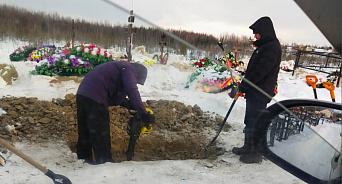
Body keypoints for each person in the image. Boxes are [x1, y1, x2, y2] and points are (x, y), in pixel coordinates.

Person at [76, 60, 155, 164]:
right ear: (138, 73)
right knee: (100, 134)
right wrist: (143, 113)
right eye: (136, 81)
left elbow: (115, 93)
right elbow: (131, 89)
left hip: (82, 95)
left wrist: (127, 103)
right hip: (96, 99)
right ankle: (105, 164)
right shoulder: (129, 69)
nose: (135, 82)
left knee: (85, 132)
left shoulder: (118, 68)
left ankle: (83, 160)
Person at [232, 16, 282, 163]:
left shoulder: (272, 47)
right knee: (250, 120)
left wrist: (245, 84)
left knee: (256, 122)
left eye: (256, 31)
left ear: (264, 31)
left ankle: (256, 153)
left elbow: (261, 71)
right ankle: (248, 147)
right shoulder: (264, 46)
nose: (254, 34)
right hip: (254, 91)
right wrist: (245, 85)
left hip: (260, 92)